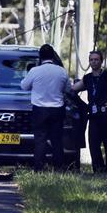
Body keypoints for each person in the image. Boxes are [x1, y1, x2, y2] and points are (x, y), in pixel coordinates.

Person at [21, 44, 71, 172]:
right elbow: (67, 89)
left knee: (40, 140)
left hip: (39, 109)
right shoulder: (61, 71)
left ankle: (38, 169)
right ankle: (59, 169)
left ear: (40, 56)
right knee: (57, 140)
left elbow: (24, 86)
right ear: (53, 56)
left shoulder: (34, 71)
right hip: (57, 110)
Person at [72, 51, 107, 173]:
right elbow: (73, 90)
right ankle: (98, 170)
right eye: (91, 60)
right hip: (93, 116)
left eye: (96, 59)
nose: (94, 62)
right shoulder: (87, 78)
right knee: (93, 145)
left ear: (101, 61)